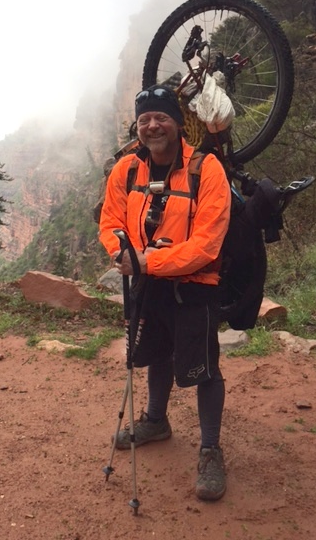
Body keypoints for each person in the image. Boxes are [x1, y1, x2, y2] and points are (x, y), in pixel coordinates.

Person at [98, 84, 231, 501]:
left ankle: (210, 450)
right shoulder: (127, 170)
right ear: (137, 127)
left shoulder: (206, 169)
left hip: (194, 286)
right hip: (147, 282)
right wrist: (123, 251)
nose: (152, 125)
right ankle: (156, 421)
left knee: (204, 367)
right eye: (144, 119)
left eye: (161, 117)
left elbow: (207, 244)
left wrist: (147, 262)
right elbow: (110, 221)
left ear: (178, 123)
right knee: (155, 353)